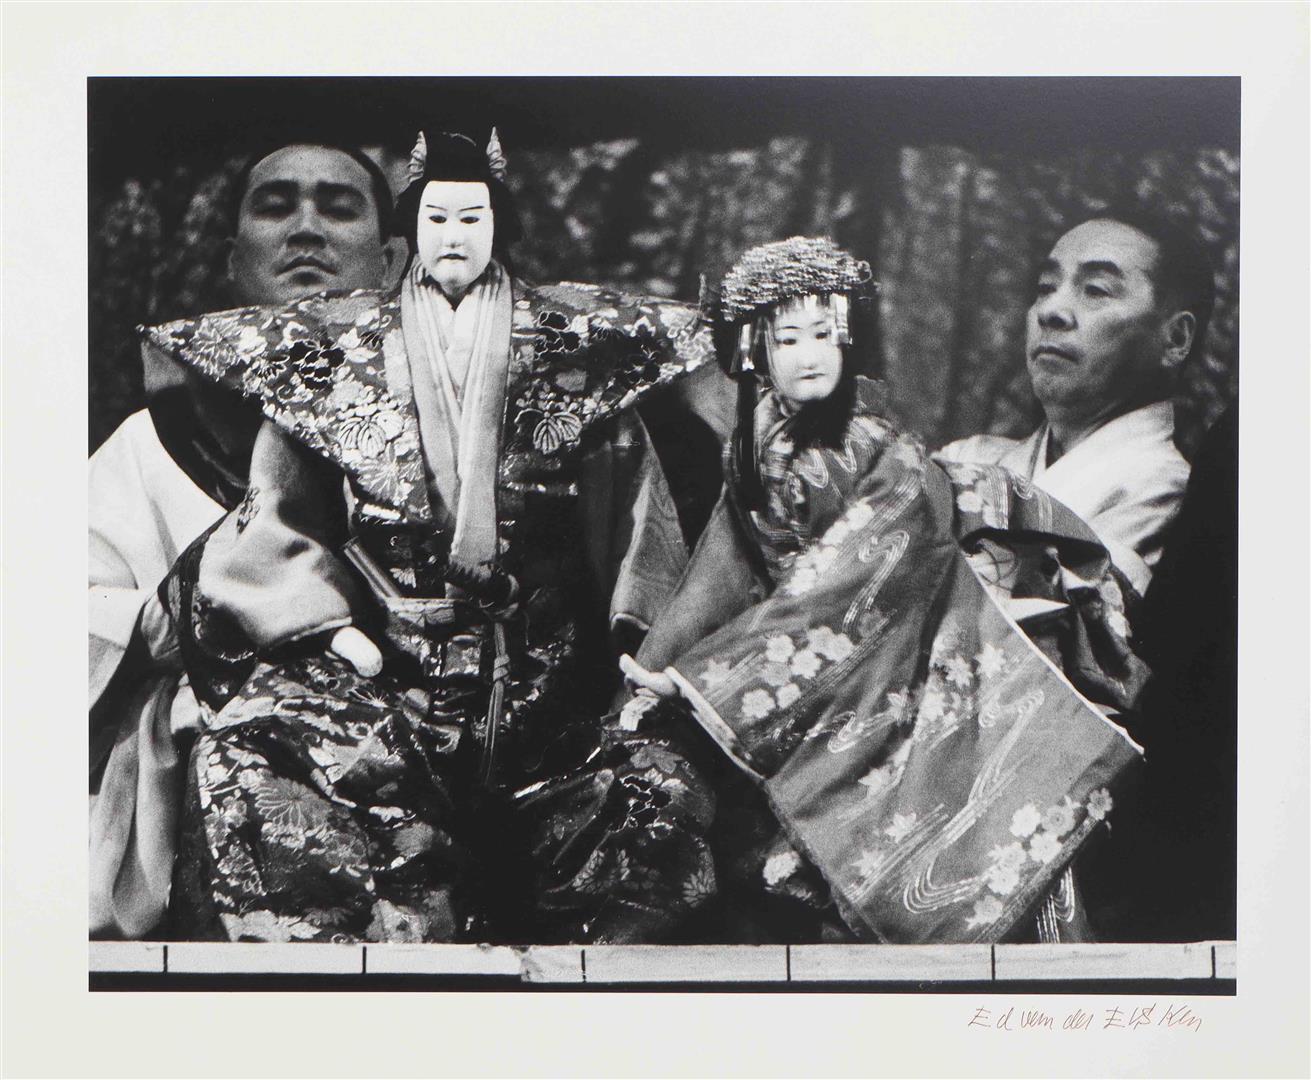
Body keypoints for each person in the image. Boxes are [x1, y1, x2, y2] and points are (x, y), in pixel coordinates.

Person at [140, 128, 711, 943]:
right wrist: (325, 628)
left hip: (553, 696)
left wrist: (640, 650)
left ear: (498, 226)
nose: (453, 237)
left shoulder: (578, 350)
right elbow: (279, 518)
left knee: (660, 784)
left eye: (471, 219)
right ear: (411, 232)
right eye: (436, 219)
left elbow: (636, 518)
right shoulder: (333, 353)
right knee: (257, 753)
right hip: (386, 688)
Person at [522, 237, 1148, 945]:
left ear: (849, 340)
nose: (808, 355)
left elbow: (855, 579)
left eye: (824, 334)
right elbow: (725, 566)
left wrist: (710, 680)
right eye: (786, 339)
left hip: (911, 652)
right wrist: (656, 673)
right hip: (804, 661)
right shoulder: (757, 443)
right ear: (753, 352)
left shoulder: (883, 447)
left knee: (956, 828)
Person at [89, 141, 401, 939]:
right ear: (234, 260)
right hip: (217, 763)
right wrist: (167, 621)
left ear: (395, 259)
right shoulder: (154, 440)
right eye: (276, 205)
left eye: (339, 207)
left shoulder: (455, 431)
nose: (306, 228)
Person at [937, 210, 1214, 596]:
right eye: (1046, 287)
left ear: (1176, 339)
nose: (1050, 311)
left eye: (1096, 290)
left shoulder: (1165, 493)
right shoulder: (970, 457)